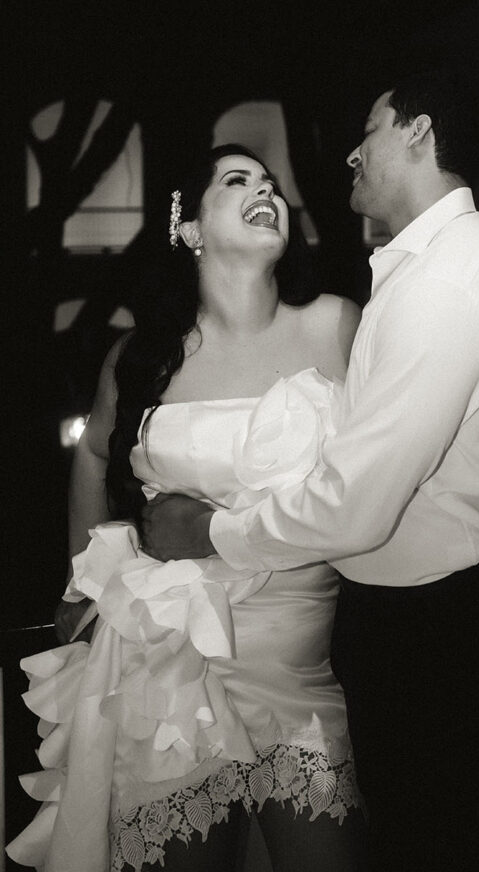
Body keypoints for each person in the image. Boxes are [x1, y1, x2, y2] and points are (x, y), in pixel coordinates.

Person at [140, 70, 479, 872]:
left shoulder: (446, 284)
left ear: (418, 133)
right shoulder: (417, 270)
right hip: (390, 627)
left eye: (371, 129)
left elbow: (355, 505)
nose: (352, 152)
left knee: (433, 844)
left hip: (429, 632)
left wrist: (210, 530)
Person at [7, 144, 367, 872]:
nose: (266, 190)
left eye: (270, 184)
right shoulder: (145, 357)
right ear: (190, 228)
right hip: (171, 670)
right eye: (237, 182)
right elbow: (95, 455)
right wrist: (84, 580)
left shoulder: (335, 326)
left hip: (296, 668)